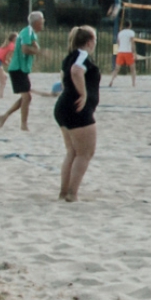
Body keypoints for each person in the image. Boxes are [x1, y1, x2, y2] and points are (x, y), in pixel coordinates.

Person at [54, 24, 101, 202]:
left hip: (64, 107)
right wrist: (83, 93)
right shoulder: (82, 55)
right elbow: (76, 71)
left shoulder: (69, 56)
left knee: (72, 152)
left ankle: (64, 192)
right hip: (77, 109)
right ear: (89, 42)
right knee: (85, 153)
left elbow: (63, 77)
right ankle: (72, 194)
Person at [0, 11, 45, 131]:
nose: (43, 22)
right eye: (42, 20)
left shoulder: (31, 33)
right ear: (36, 22)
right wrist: (38, 51)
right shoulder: (27, 31)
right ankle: (23, 125)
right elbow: (25, 49)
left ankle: (4, 116)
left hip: (22, 69)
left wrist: (37, 50)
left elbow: (33, 47)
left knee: (27, 97)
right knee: (26, 97)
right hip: (17, 68)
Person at [109, 19, 137, 87]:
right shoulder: (131, 32)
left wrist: (116, 52)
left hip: (120, 52)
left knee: (116, 68)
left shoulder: (120, 33)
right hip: (128, 52)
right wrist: (134, 53)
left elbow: (118, 43)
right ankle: (133, 83)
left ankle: (111, 81)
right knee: (132, 69)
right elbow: (132, 43)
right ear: (130, 25)